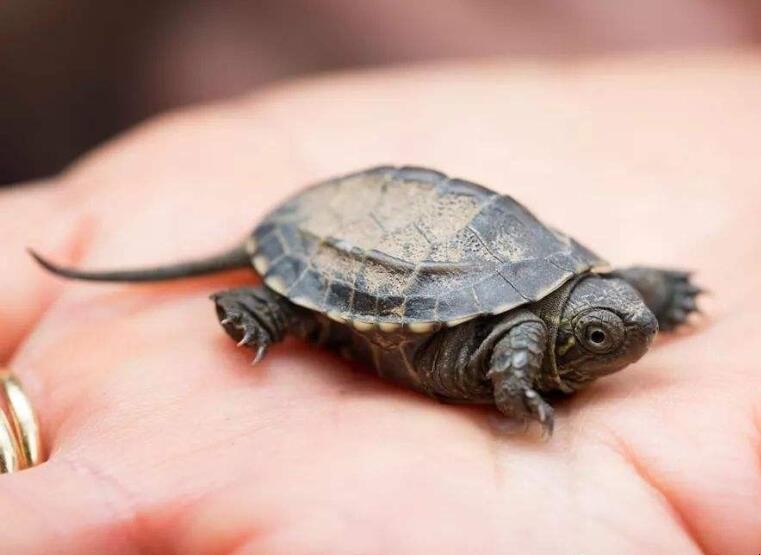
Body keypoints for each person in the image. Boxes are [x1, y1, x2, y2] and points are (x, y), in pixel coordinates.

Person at [0, 52, 758, 554]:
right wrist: (518, 388)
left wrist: (657, 291)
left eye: (624, 321)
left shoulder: (578, 289)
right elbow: (517, 342)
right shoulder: (528, 334)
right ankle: (273, 306)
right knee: (326, 316)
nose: (627, 333)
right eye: (599, 332)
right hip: (342, 229)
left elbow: (615, 295)